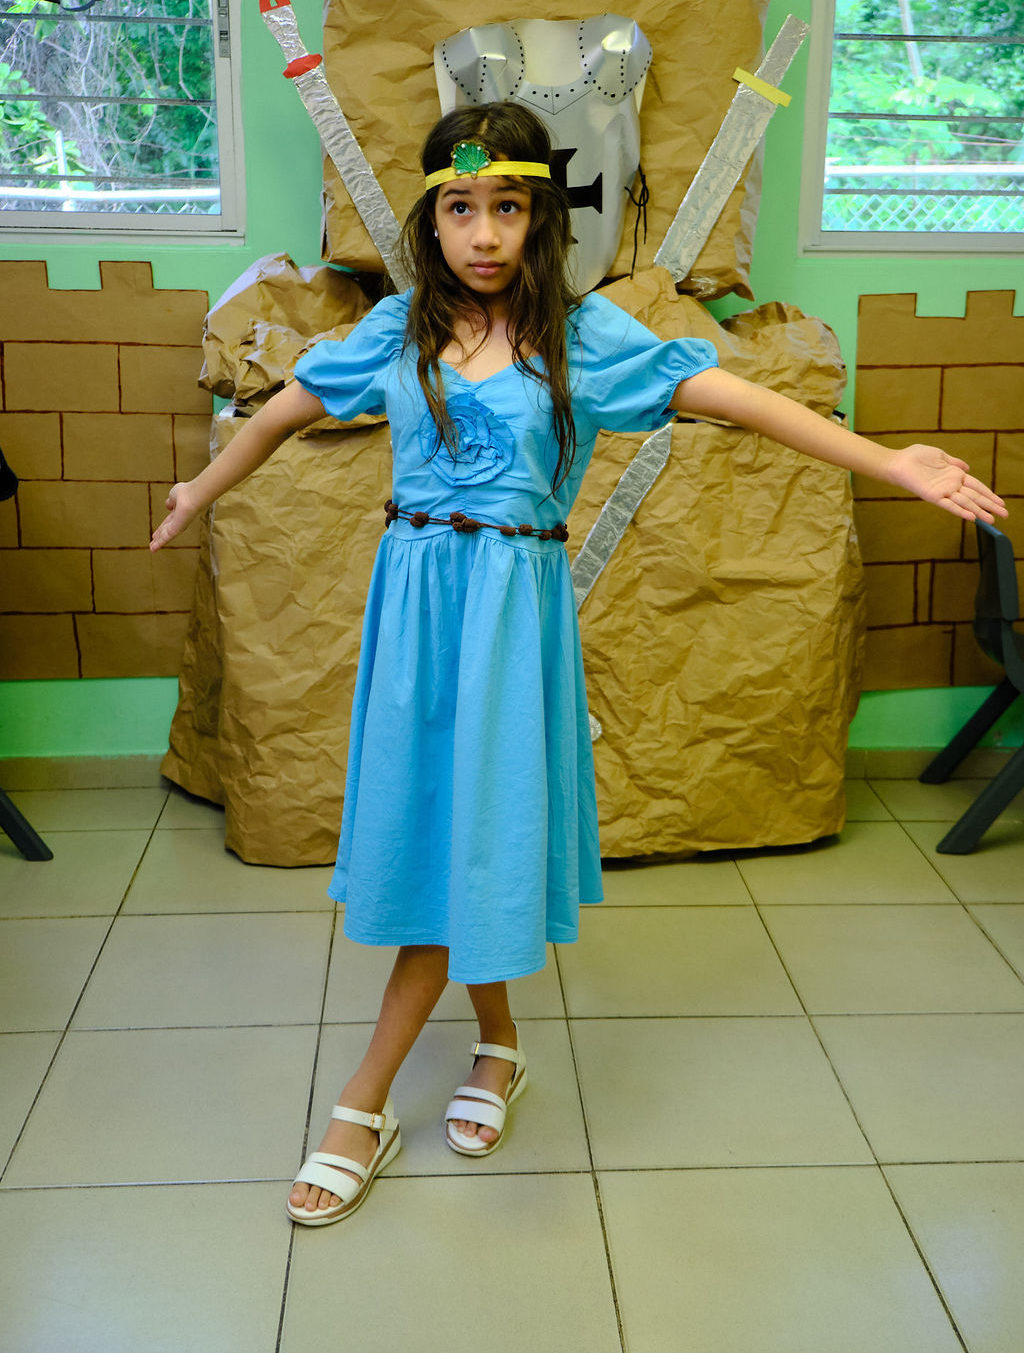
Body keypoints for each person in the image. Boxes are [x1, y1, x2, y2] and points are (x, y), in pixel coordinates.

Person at [151, 100, 1006, 1228]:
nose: (485, 233)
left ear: (540, 218)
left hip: (512, 615)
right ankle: (498, 1043)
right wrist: (199, 489)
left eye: (508, 207)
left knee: (475, 831)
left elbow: (734, 397)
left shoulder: (580, 337)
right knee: (445, 828)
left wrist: (886, 460)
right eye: (462, 208)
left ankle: (362, 1102)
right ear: (431, 220)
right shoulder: (398, 328)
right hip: (416, 615)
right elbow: (278, 415)